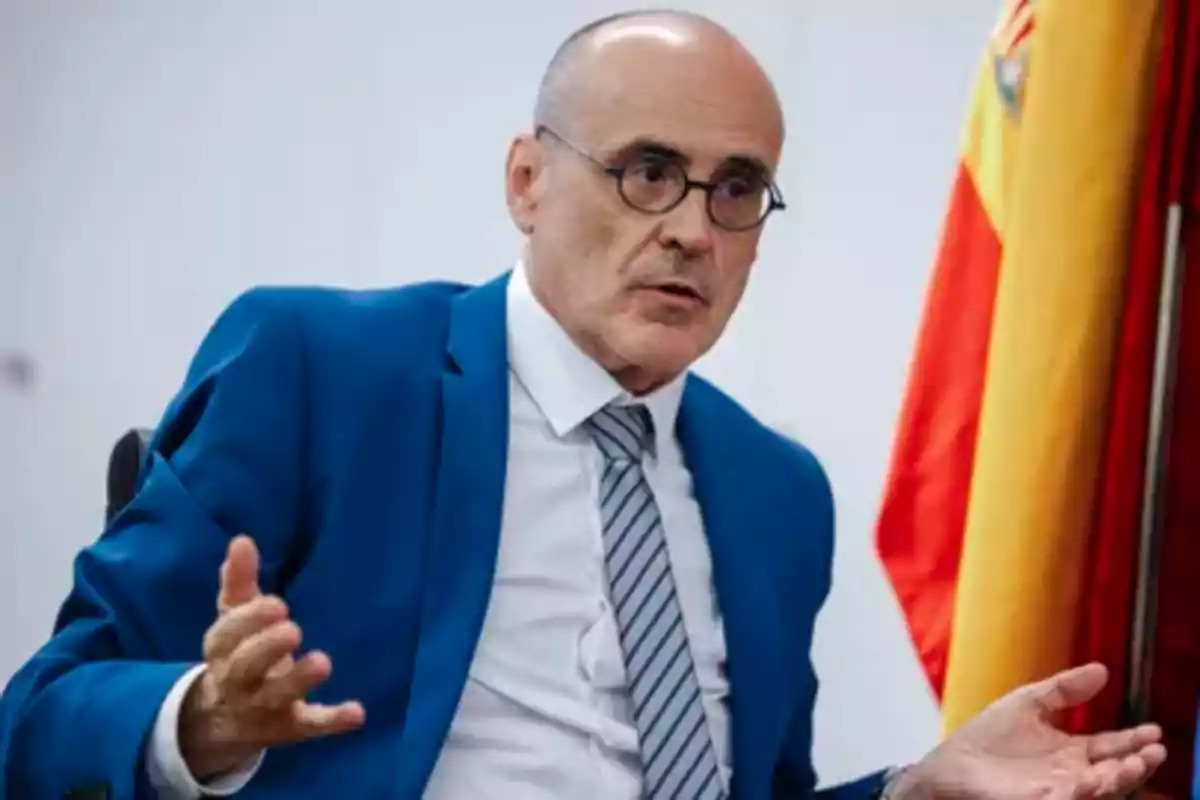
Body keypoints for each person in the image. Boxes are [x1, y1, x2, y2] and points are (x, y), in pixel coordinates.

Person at [0, 9, 1167, 800]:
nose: (691, 230)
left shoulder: (776, 490)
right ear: (526, 179)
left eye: (739, 190)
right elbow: (42, 715)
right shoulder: (323, 367)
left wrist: (919, 784)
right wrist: (201, 715)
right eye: (648, 171)